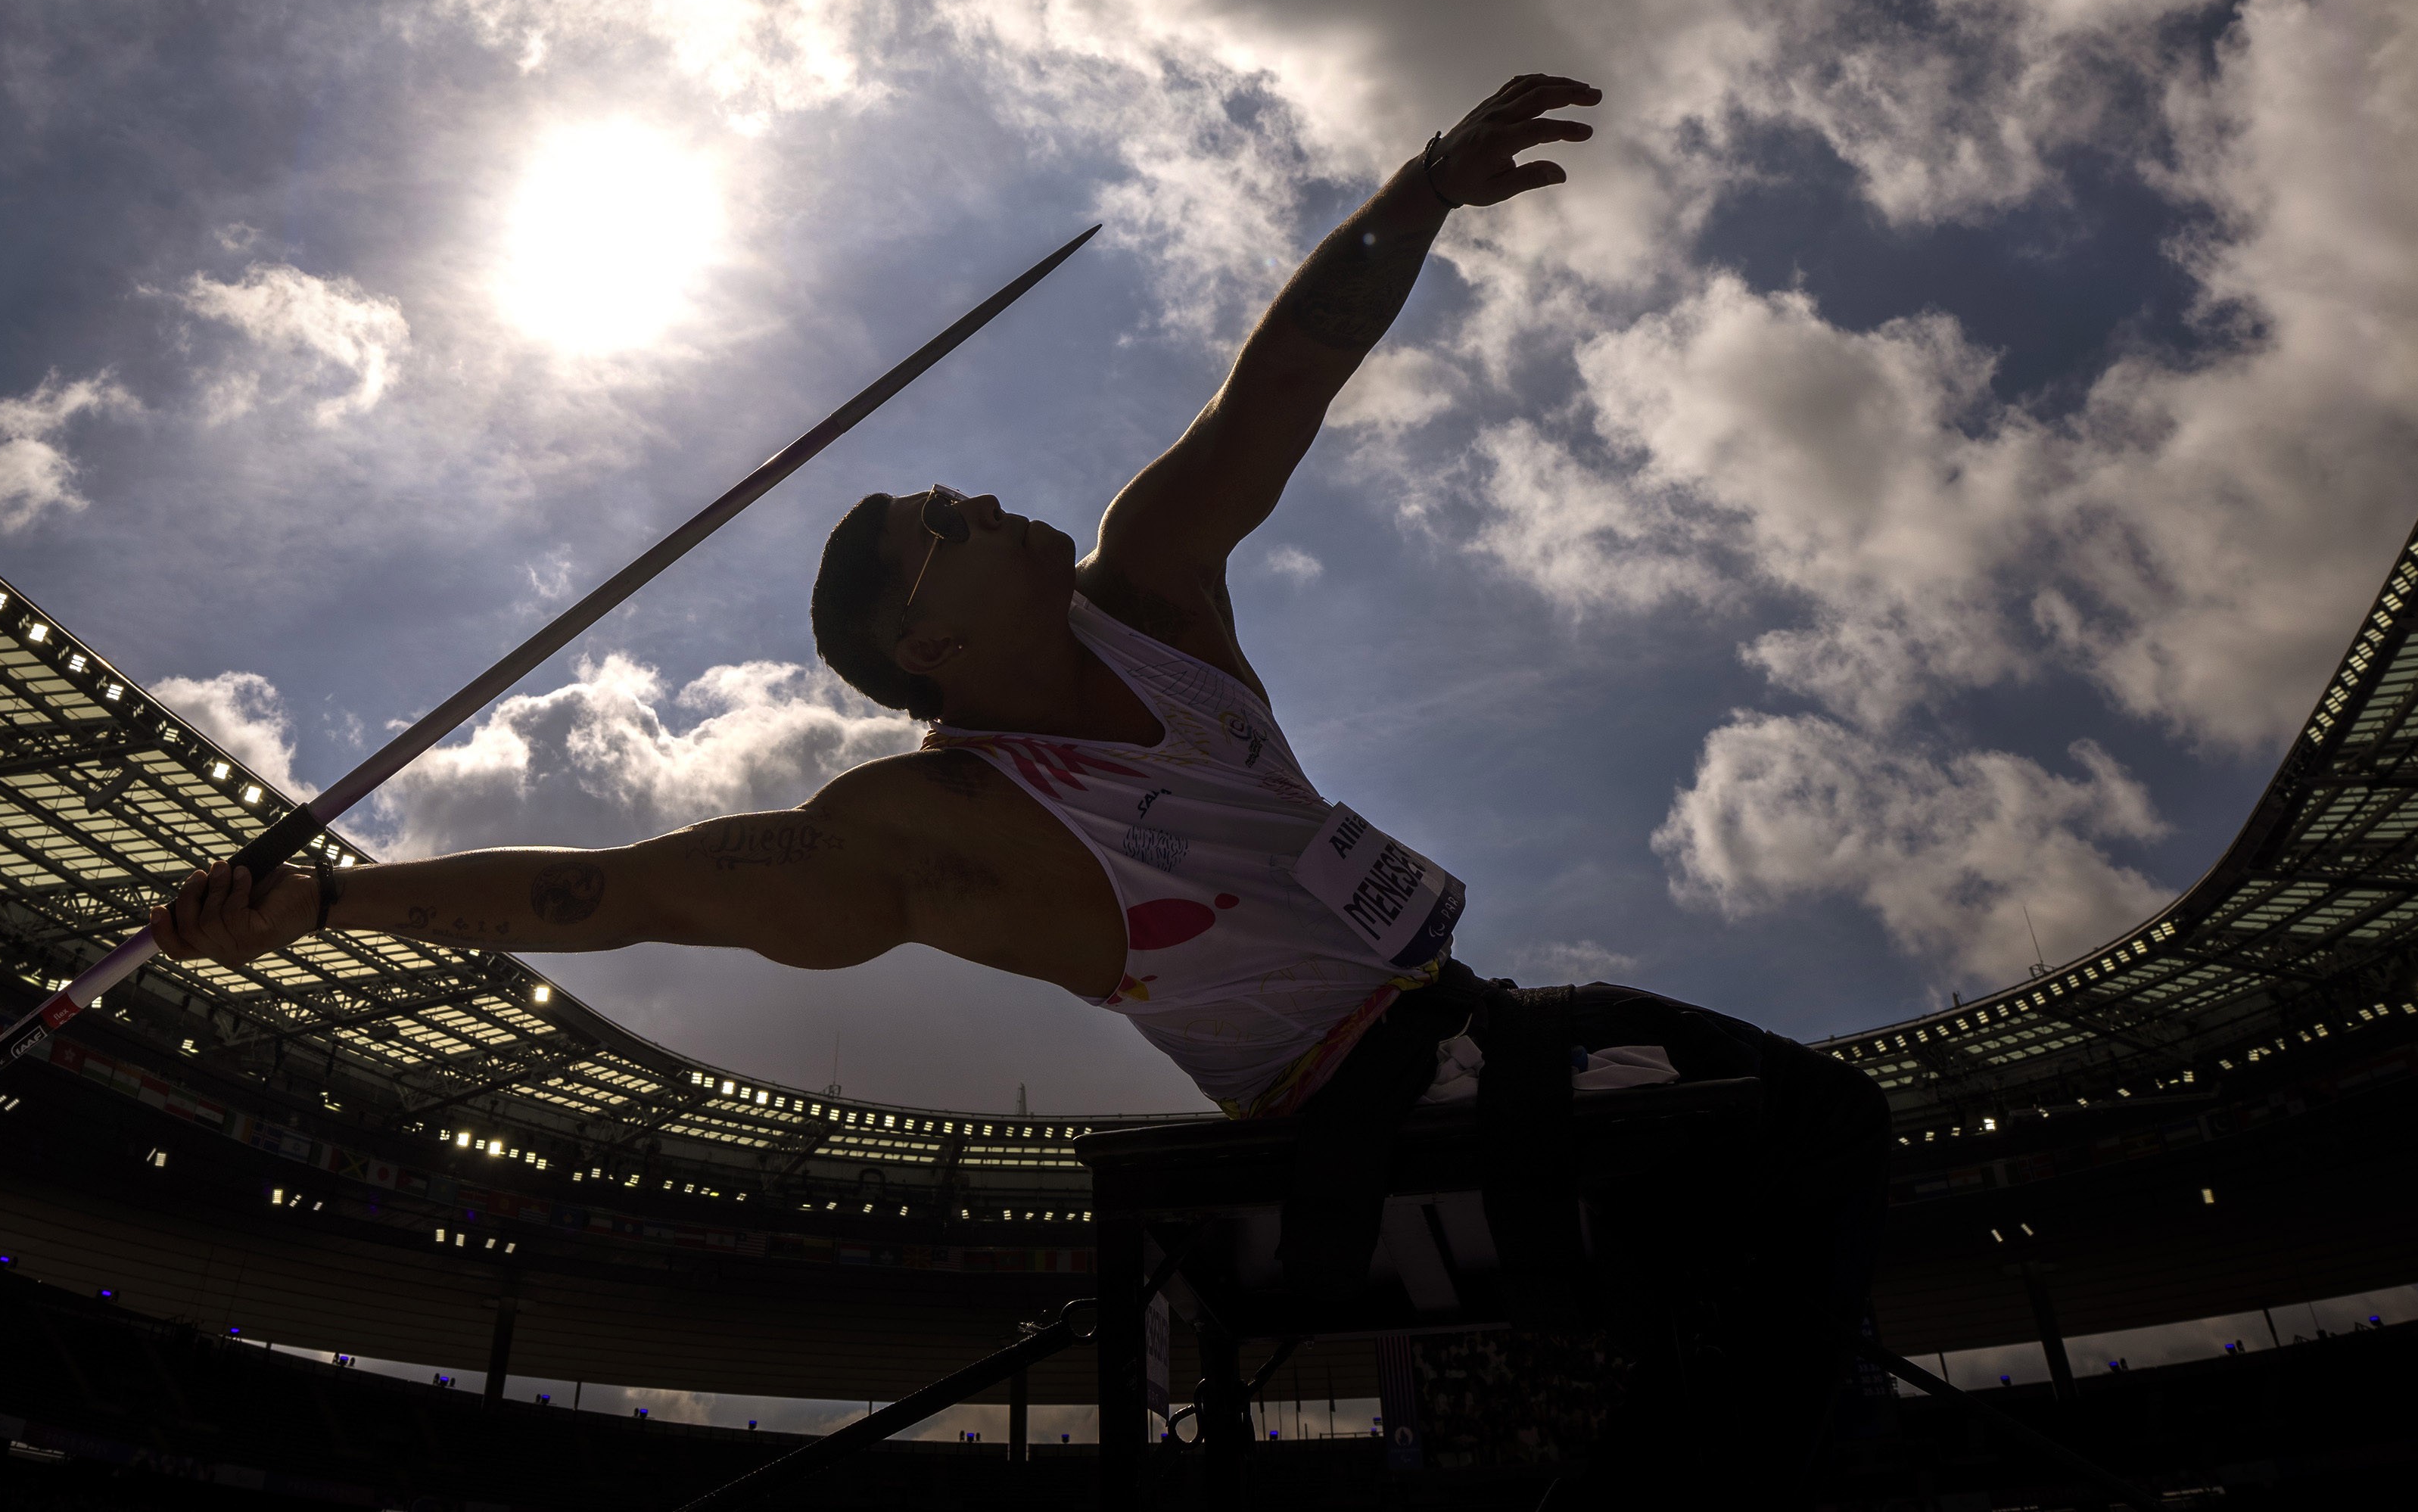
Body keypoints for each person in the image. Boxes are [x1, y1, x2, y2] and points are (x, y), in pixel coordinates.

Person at [154, 73, 1886, 1479]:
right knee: (1777, 1157)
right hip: (1356, 1094)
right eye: (939, 530)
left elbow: (1279, 386)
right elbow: (615, 886)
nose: (976, 501)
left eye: (954, 491)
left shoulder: (1153, 599)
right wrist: (316, 901)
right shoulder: (929, 826)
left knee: (1819, 1132)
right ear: (925, 653)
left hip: (1474, 1009)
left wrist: (1415, 191)